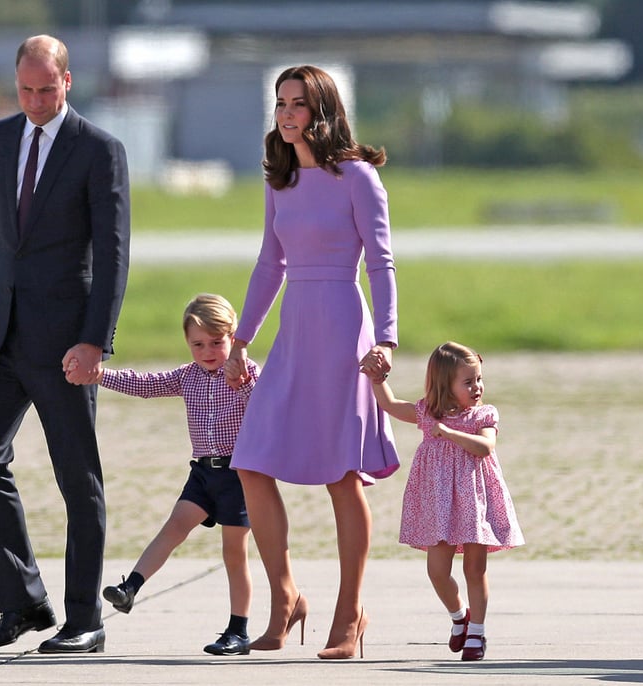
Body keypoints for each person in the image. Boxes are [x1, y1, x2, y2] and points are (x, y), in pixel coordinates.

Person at [0, 34, 130, 655]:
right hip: (0, 335)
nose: (37, 100)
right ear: (15, 83)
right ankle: (22, 602)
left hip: (66, 344)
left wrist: (95, 342)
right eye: (26, 89)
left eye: (48, 89)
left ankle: (85, 621)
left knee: (79, 480)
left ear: (67, 83)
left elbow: (114, 253)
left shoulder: (99, 150)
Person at [223, 64, 400, 660]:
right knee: (251, 462)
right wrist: (242, 339)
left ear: (321, 110)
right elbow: (269, 263)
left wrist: (389, 339)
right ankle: (286, 598)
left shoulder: (357, 176)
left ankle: (350, 613)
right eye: (280, 103)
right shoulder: (280, 179)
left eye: (297, 103)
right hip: (293, 332)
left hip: (345, 331)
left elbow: (381, 262)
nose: (286, 113)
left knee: (341, 475)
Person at [84, 293, 258, 656]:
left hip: (239, 475)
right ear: (187, 343)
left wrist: (241, 384)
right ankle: (130, 588)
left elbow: (264, 412)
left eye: (217, 342)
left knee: (234, 553)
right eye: (198, 344)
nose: (207, 351)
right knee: (174, 528)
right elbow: (146, 384)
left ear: (234, 337)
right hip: (204, 474)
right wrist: (100, 374)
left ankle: (238, 630)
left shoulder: (248, 373)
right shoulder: (188, 376)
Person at [361, 341, 525, 662]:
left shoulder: (483, 415)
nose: (477, 387)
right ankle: (459, 615)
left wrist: (448, 433)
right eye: (468, 381)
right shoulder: (426, 413)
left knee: (475, 568)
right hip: (439, 504)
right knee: (437, 570)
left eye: (479, 379)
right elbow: (392, 405)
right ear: (444, 385)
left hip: (475, 501)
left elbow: (484, 447)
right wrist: (377, 380)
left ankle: (476, 632)